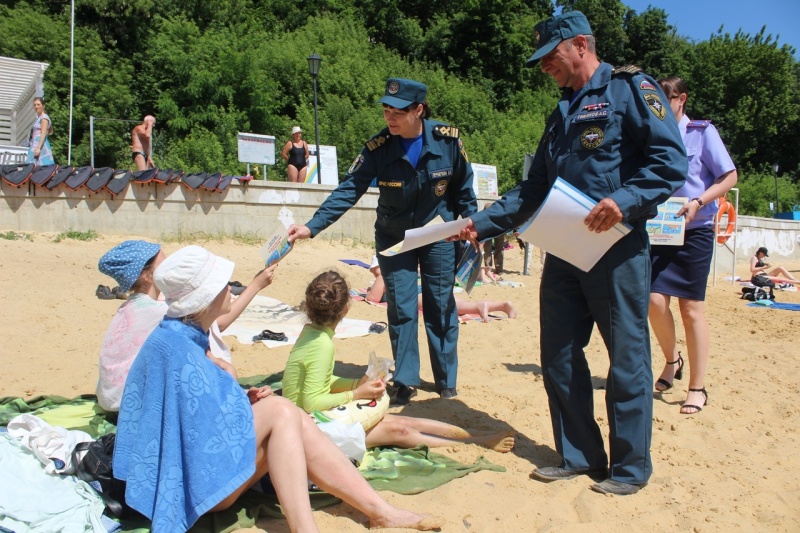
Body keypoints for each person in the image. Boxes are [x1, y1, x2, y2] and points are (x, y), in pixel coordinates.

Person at [455, 11, 687, 495]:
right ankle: (580, 456)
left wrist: (623, 201)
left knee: (625, 358)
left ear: (580, 44)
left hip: (617, 248)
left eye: (550, 57)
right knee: (557, 354)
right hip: (563, 250)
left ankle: (628, 469)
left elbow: (670, 164)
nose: (544, 68)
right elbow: (534, 188)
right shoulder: (559, 113)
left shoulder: (630, 89)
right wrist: (480, 222)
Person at [113, 246, 443, 532]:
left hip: (199, 470)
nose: (230, 289)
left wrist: (241, 396)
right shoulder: (177, 348)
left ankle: (378, 512)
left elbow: (194, 417)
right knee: (284, 412)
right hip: (197, 485)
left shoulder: (176, 337)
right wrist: (231, 379)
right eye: (224, 285)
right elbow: (200, 436)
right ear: (207, 296)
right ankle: (347, 518)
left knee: (289, 414)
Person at [287, 78, 477, 405]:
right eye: (386, 109)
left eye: (398, 111)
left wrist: (472, 228)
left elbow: (463, 189)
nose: (390, 116)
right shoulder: (378, 147)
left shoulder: (447, 141)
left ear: (419, 110)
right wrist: (312, 226)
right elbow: (349, 188)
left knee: (440, 305)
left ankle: (446, 379)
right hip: (394, 237)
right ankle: (405, 379)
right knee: (401, 308)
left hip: (438, 235)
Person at [283, 270, 515, 452]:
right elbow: (312, 401)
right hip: (308, 430)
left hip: (304, 420)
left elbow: (319, 380)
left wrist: (357, 384)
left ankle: (473, 434)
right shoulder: (323, 345)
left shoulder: (311, 333)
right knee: (398, 430)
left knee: (398, 420)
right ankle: (475, 442)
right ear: (346, 307)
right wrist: (357, 394)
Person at [95, 240, 277, 411]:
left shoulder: (133, 306)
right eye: (165, 263)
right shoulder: (162, 313)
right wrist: (255, 286)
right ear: (146, 276)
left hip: (111, 397)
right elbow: (217, 324)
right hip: (133, 404)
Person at [649, 76, 739, 415]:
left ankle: (697, 387)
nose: (657, 105)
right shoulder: (652, 132)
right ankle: (673, 360)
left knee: (690, 310)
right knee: (653, 302)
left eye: (665, 98)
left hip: (696, 229)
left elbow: (729, 175)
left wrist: (700, 201)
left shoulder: (702, 133)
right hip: (660, 229)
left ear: (681, 99)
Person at [366, 256, 517, 322]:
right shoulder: (396, 272)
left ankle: (480, 306)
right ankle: (501, 306)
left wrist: (370, 290)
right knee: (456, 303)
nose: (373, 272)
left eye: (374, 269)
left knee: (453, 306)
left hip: (413, 295)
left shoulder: (384, 275)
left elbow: (372, 298)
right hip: (419, 289)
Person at [26, 97, 55, 166]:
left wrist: (38, 148)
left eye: (38, 104)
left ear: (43, 106)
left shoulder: (44, 118)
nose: (36, 106)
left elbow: (43, 133)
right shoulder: (38, 118)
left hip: (41, 146)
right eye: (35, 105)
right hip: (34, 146)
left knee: (43, 168)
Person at [482, 202, 505, 276]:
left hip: (488, 229)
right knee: (499, 249)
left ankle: (488, 269)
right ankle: (499, 270)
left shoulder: (486, 207)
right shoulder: (501, 209)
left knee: (487, 250)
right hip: (499, 229)